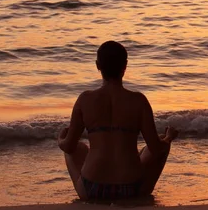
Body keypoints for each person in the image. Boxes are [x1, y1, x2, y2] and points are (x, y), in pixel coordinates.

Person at [58, 40, 178, 201]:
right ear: (125, 66)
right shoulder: (139, 101)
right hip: (132, 189)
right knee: (161, 144)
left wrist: (60, 139)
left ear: (97, 66)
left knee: (76, 148)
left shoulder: (85, 100)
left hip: (92, 189)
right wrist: (169, 137)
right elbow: (156, 148)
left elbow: (69, 145)